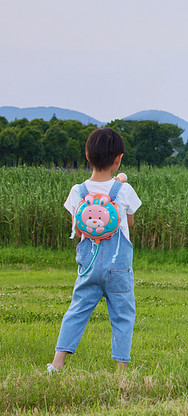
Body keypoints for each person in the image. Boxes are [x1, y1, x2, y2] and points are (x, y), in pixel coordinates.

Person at [48, 128, 141, 374]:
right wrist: (121, 185)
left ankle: (57, 363)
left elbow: (77, 230)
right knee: (122, 314)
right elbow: (129, 223)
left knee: (77, 310)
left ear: (87, 156)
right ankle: (121, 367)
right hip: (118, 266)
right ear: (119, 158)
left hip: (88, 265)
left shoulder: (77, 191)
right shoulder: (124, 190)